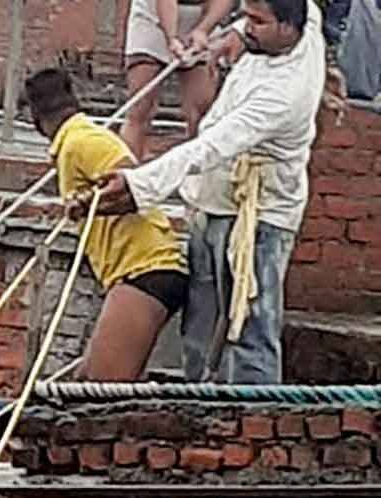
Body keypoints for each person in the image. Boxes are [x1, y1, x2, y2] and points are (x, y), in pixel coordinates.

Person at [96, 0, 326, 384]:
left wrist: (139, 185)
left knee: (250, 331)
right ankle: (197, 416)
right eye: (247, 17)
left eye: (258, 22)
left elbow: (212, 145)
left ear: (290, 28)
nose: (248, 27)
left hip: (259, 219)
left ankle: (254, 424)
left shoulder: (284, 95)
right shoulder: (302, 18)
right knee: (200, 326)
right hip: (211, 204)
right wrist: (224, 36)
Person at [26, 68, 188, 381]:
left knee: (101, 389)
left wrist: (90, 204)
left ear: (35, 118)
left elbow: (130, 177)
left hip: (146, 270)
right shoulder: (76, 141)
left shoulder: (80, 140)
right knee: (82, 379)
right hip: (134, 272)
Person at [121, 0, 237, 159]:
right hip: (152, 18)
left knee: (203, 110)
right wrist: (171, 38)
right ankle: (126, 170)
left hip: (201, 18)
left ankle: (200, 172)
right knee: (140, 106)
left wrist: (203, 29)